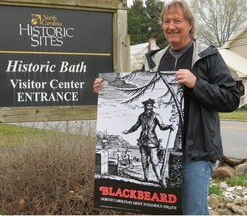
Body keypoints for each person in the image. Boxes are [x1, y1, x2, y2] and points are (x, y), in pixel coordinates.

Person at [93, 0, 240, 214]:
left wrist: (196, 84)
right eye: (167, 21)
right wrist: (108, 89)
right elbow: (135, 94)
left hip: (196, 154)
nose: (171, 26)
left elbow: (231, 98)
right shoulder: (154, 61)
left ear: (190, 24)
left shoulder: (207, 56)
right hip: (163, 148)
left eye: (177, 21)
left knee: (193, 211)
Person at [122, 98, 173, 187]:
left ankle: (160, 180)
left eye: (150, 105)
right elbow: (136, 126)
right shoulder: (141, 116)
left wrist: (169, 126)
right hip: (142, 142)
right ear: (144, 106)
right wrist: (128, 131)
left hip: (152, 142)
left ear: (152, 106)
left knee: (154, 161)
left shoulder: (156, 115)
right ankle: (146, 178)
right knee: (144, 161)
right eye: (147, 105)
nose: (148, 107)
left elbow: (162, 126)